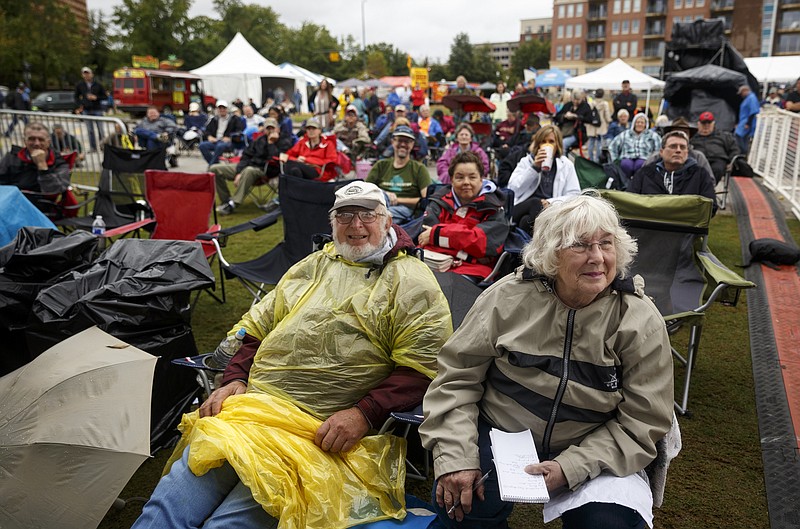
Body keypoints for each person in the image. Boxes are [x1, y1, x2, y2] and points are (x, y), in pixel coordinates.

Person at [131, 180, 452, 529]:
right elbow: (258, 326)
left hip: (319, 432)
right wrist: (235, 378)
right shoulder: (315, 265)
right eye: (345, 215)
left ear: (387, 221)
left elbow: (420, 367)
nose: (356, 225)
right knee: (164, 511)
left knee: (225, 526)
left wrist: (364, 414)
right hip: (255, 410)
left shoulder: (411, 281)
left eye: (367, 215)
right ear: (333, 222)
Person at [419, 191, 674, 529]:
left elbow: (643, 421)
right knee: (462, 505)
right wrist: (457, 457)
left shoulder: (639, 319)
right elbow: (457, 378)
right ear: (551, 254)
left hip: (592, 442)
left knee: (608, 524)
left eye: (606, 244)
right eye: (580, 245)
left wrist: (571, 466)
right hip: (503, 434)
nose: (597, 258)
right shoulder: (506, 298)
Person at [419, 151, 509, 279]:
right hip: (433, 263)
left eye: (472, 177)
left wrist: (438, 234)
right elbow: (425, 240)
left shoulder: (494, 208)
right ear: (451, 180)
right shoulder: (438, 201)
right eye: (460, 177)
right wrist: (464, 243)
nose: (466, 182)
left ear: (481, 179)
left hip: (472, 270)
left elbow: (483, 245)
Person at [508, 125, 581, 232]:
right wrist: (534, 168)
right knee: (535, 203)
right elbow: (513, 190)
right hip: (522, 207)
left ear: (557, 145)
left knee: (526, 221)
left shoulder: (566, 165)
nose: (547, 145)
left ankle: (532, 245)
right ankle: (547, 240)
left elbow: (574, 195)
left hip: (550, 212)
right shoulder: (527, 162)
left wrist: (550, 202)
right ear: (538, 145)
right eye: (543, 142)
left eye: (551, 141)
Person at [213, 118, 293, 215]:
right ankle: (226, 200)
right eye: (268, 128)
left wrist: (271, 143)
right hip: (248, 166)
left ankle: (234, 203)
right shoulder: (259, 140)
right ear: (264, 130)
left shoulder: (285, 141)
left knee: (249, 170)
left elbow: (276, 160)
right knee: (215, 169)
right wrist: (239, 172)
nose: (270, 131)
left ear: (278, 129)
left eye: (273, 128)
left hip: (265, 170)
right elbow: (246, 156)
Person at [629, 130, 716, 206]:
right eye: (673, 146)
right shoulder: (645, 173)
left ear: (687, 152)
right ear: (661, 152)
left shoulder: (700, 175)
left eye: (682, 147)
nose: (678, 150)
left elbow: (710, 205)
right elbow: (630, 200)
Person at [367, 125, 432, 222]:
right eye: (399, 140)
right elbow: (365, 189)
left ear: (412, 144)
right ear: (392, 142)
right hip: (379, 205)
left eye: (407, 141)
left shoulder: (419, 168)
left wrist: (397, 200)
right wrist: (385, 194)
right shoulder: (381, 165)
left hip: (405, 210)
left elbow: (426, 199)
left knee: (382, 216)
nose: (403, 144)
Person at [0, 122, 70, 205]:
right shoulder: (12, 157)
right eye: (31, 139)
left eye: (41, 139)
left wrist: (42, 166)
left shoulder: (59, 162)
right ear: (25, 141)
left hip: (43, 209)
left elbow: (53, 192)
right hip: (12, 204)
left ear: (48, 142)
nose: (36, 143)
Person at [608, 113, 661, 188]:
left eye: (642, 122)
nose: (639, 124)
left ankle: (639, 186)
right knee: (626, 165)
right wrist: (615, 159)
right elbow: (612, 146)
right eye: (637, 122)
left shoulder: (653, 135)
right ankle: (626, 186)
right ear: (634, 123)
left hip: (644, 159)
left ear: (646, 124)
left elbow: (659, 149)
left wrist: (654, 160)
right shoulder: (625, 134)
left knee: (640, 165)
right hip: (627, 157)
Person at [689, 112, 739, 183]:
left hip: (717, 159)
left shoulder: (723, 136)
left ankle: (709, 188)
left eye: (709, 124)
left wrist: (732, 162)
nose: (706, 126)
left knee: (717, 168)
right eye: (703, 124)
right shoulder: (692, 138)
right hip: (698, 160)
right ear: (698, 124)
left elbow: (734, 149)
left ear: (713, 124)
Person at [199, 100, 246, 166]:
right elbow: (206, 130)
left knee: (220, 146)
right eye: (220, 108)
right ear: (217, 109)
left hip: (229, 142)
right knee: (202, 145)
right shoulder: (214, 119)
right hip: (215, 140)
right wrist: (209, 136)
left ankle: (211, 167)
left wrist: (230, 138)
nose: (222, 110)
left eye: (223, 108)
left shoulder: (234, 119)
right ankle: (214, 165)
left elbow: (239, 131)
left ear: (227, 109)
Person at [74, 67, 107, 152]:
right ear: (82, 75)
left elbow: (105, 96)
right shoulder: (80, 85)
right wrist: (80, 105)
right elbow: (76, 97)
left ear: (92, 74)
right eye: (84, 73)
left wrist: (96, 97)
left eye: (88, 73)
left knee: (100, 129)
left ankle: (103, 146)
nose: (86, 75)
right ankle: (93, 147)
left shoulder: (98, 85)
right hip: (86, 109)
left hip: (97, 109)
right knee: (90, 130)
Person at [585, 89, 612, 163]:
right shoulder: (604, 104)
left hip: (591, 125)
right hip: (601, 125)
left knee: (591, 142)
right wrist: (609, 121)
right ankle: (597, 160)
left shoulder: (590, 103)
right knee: (599, 142)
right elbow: (607, 115)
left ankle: (590, 159)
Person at [735, 84, 760, 155]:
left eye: (741, 93)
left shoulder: (751, 98)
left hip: (747, 123)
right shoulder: (748, 98)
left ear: (745, 91)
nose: (741, 95)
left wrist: (748, 123)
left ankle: (743, 153)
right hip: (743, 122)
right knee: (742, 138)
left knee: (739, 137)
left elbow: (753, 111)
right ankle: (743, 153)